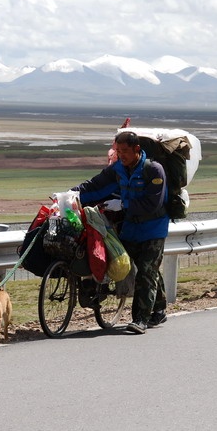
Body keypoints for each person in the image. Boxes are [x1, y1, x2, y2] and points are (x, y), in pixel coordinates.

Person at [72, 131, 169, 334]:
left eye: (125, 151)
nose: (121, 155)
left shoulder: (154, 170)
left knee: (146, 271)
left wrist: (123, 205)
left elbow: (153, 204)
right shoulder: (118, 169)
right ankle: (159, 308)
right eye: (118, 151)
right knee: (147, 268)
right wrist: (72, 193)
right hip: (130, 228)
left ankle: (140, 319)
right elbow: (96, 185)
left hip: (153, 227)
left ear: (137, 149)